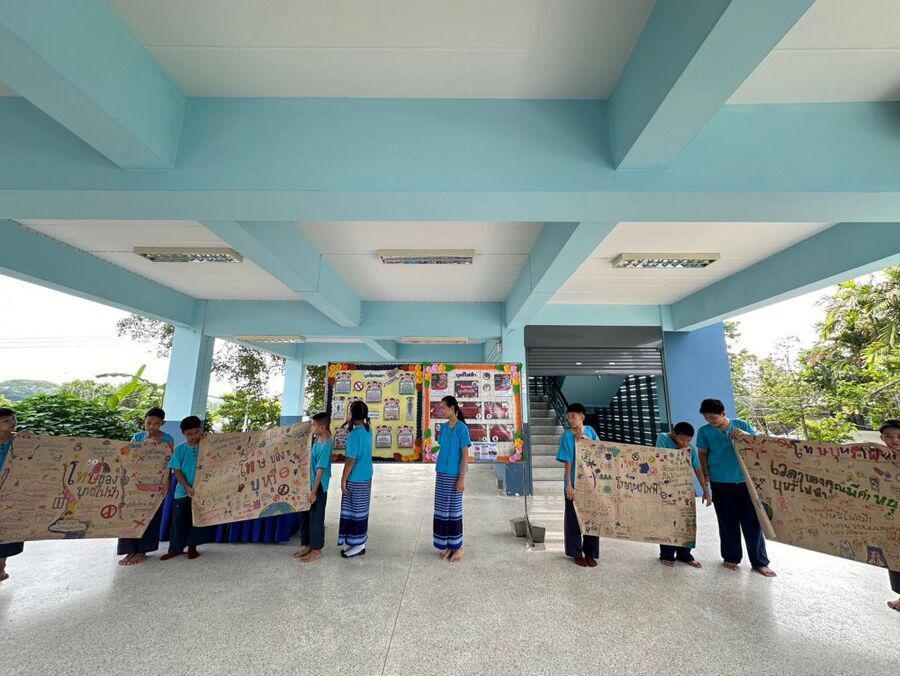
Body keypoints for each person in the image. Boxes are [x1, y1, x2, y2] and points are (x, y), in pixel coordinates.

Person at [696, 398, 776, 577]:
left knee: (752, 522)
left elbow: (758, 445)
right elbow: (702, 454)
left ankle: (760, 561)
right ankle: (731, 557)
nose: (710, 421)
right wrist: (706, 475)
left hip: (746, 481)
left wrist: (744, 435)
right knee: (727, 521)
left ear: (723, 413)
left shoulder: (741, 425)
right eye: (707, 418)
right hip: (720, 482)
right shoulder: (704, 432)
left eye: (713, 417)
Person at [117, 407, 174, 566]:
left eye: (156, 424)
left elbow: (168, 462)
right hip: (135, 482)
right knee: (129, 513)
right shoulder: (138, 436)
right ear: (144, 422)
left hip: (156, 483)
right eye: (149, 423)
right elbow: (128, 457)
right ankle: (129, 549)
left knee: (150, 514)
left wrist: (167, 482)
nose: (152, 427)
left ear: (162, 423)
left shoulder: (167, 439)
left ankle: (142, 550)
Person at [655, 422, 712, 569]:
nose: (685, 443)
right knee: (668, 521)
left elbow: (698, 469)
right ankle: (667, 554)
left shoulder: (691, 449)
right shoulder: (663, 438)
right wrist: (680, 450)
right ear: (674, 434)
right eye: (682, 439)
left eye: (688, 441)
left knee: (687, 521)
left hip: (684, 489)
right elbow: (659, 457)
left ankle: (685, 554)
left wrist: (705, 490)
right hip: (666, 487)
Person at [555, 403, 600, 568]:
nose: (570, 420)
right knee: (573, 519)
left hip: (591, 483)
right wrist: (568, 485)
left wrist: (585, 440)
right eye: (568, 417)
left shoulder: (591, 432)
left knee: (592, 518)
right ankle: (575, 552)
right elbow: (567, 461)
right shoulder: (567, 435)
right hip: (574, 482)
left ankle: (590, 552)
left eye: (573, 417)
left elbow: (600, 451)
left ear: (582, 417)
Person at [161, 416, 211, 561]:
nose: (193, 436)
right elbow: (176, 470)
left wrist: (209, 438)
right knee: (178, 521)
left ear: (200, 430)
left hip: (201, 492)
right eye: (189, 434)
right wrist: (187, 486)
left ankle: (192, 547)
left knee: (196, 521)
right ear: (183, 433)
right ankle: (175, 549)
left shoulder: (207, 446)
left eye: (196, 432)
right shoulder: (180, 449)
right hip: (182, 492)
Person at [432, 395, 470, 563]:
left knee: (454, 511)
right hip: (441, 473)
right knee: (442, 511)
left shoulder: (462, 429)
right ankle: (447, 545)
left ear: (452, 408)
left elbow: (465, 456)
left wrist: (462, 479)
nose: (441, 410)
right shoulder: (443, 427)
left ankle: (458, 547)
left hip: (454, 476)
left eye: (443, 408)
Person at [294, 412, 333, 563]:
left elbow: (320, 471)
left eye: (314, 426)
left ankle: (316, 550)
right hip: (309, 483)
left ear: (323, 427)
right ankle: (308, 545)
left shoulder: (326, 445)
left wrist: (314, 492)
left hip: (318, 486)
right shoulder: (317, 438)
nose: (312, 428)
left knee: (316, 517)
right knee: (306, 516)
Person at [337, 401, 373, 559]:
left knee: (354, 512)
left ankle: (358, 545)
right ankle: (357, 542)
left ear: (353, 414)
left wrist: (343, 480)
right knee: (361, 510)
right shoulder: (368, 429)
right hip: (366, 476)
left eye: (349, 411)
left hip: (355, 478)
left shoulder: (353, 435)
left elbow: (350, 460)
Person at [877, 419, 900, 611]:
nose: (895, 440)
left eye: (899, 436)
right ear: (882, 438)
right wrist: (873, 448)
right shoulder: (876, 455)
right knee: (895, 555)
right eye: (889, 437)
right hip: (890, 515)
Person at [0, 407, 25, 582]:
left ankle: (1, 568)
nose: (12, 423)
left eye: (13, 419)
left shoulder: (21, 440)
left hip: (13, 491)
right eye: (6, 421)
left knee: (7, 533)